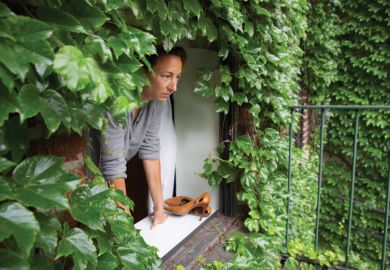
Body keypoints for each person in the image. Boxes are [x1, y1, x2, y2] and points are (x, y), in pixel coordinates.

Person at [93, 46, 186, 229]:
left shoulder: (156, 101)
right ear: (143, 70)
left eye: (177, 77)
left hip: (110, 177)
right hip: (90, 176)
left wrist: (160, 208)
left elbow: (150, 149)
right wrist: (125, 225)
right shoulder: (115, 100)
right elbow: (113, 166)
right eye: (166, 76)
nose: (173, 86)